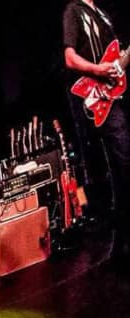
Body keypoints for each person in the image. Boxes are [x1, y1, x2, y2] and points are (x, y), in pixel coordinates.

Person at [62, 0, 130, 259]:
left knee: (121, 170)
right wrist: (97, 70)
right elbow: (70, 58)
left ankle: (120, 242)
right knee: (119, 165)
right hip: (94, 99)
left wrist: (116, 66)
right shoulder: (73, 10)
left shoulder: (104, 15)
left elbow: (115, 57)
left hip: (112, 97)